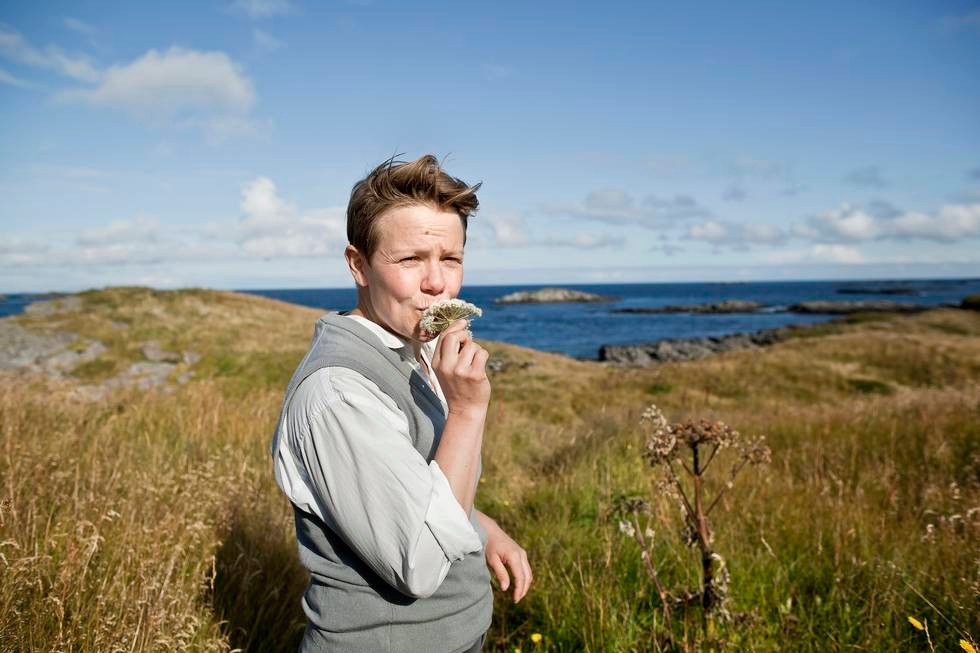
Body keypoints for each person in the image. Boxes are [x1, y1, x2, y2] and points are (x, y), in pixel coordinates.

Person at [270, 155, 532, 652]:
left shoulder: (416, 350)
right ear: (358, 264)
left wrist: (483, 529)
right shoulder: (337, 394)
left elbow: (419, 486)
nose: (437, 283)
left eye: (450, 259)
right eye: (410, 260)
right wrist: (467, 412)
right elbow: (419, 562)